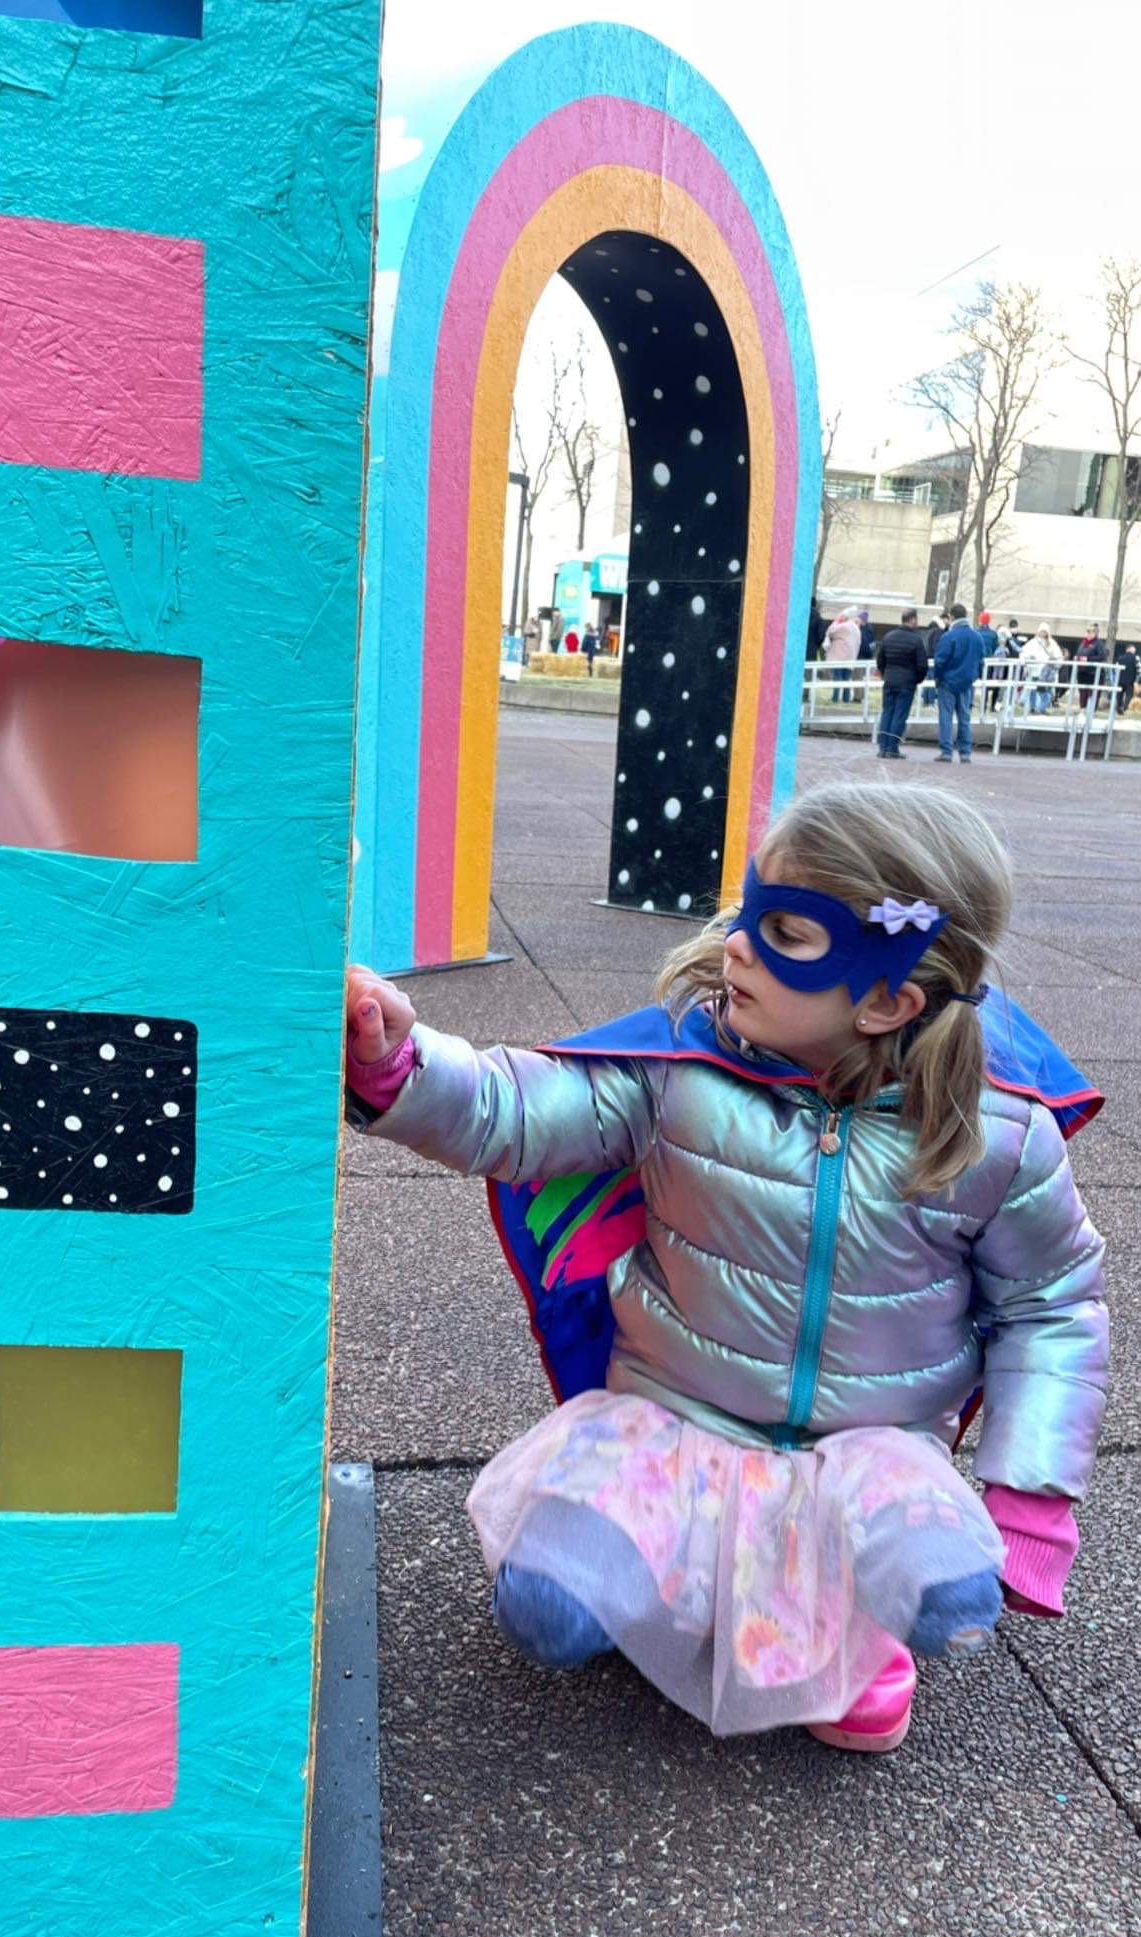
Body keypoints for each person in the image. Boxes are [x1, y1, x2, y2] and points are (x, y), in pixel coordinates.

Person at [345, 780, 1107, 1753]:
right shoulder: (680, 1075)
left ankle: (849, 1627)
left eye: (787, 930)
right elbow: (513, 1110)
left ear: (887, 997)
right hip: (674, 1426)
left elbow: (1054, 1312)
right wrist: (400, 1065)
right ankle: (672, 1571)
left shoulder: (997, 1137)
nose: (737, 943)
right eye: (750, 905)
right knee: (545, 1610)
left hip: (866, 1456)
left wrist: (1030, 1496)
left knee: (951, 1592)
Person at [931, 602, 985, 763]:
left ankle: (946, 751)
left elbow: (940, 661)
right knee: (964, 718)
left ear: (951, 617)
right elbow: (981, 661)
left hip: (948, 681)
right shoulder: (977, 637)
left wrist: (938, 678)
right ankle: (965, 752)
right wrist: (974, 677)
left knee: (946, 717)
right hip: (967, 683)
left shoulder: (949, 636)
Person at [873, 608, 928, 758]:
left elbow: (880, 660)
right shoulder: (916, 640)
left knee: (887, 713)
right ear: (913, 620)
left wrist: (886, 673)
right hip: (906, 683)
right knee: (899, 715)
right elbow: (922, 665)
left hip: (890, 681)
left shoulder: (888, 637)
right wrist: (917, 679)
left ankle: (883, 747)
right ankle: (892, 748)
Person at [1020, 624, 1064, 715]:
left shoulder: (1052, 643)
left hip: (1046, 673)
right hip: (1034, 671)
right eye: (1041, 631)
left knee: (1046, 693)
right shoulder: (1032, 642)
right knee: (1033, 690)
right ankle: (1033, 708)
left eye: (1044, 631)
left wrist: (1055, 666)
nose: (1042, 633)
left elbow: (1059, 657)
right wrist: (1025, 664)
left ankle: (1040, 709)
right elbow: (1023, 653)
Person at [821, 608, 861, 702]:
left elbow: (830, 632)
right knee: (846, 679)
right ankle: (846, 699)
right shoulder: (856, 628)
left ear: (845, 617)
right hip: (850, 658)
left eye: (841, 615)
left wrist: (836, 621)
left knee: (837, 678)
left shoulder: (843, 626)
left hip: (839, 656)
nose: (840, 617)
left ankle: (835, 698)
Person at [1076, 624, 1107, 710]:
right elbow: (1079, 653)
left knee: (1092, 693)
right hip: (1082, 672)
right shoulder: (1083, 643)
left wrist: (1088, 659)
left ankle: (1091, 710)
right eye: (1088, 632)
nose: (1089, 634)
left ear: (1095, 633)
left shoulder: (1099, 644)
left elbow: (1102, 656)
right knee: (1082, 693)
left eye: (1092, 632)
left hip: (1093, 674)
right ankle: (1082, 709)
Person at [1118, 644, 1138, 713]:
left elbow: (1116, 669)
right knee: (1129, 695)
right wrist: (1137, 680)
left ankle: (1118, 707)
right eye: (1134, 649)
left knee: (1119, 695)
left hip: (1120, 679)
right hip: (1130, 680)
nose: (1135, 651)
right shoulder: (1136, 658)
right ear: (1130, 649)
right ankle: (1125, 708)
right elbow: (1139, 669)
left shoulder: (1120, 658)